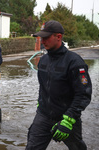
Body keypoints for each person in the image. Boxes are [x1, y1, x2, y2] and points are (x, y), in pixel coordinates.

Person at [26, 20, 92, 150]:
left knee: (77, 148)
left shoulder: (75, 62)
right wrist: (40, 102)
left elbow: (83, 94)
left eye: (46, 37)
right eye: (41, 37)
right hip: (43, 116)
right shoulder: (43, 60)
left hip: (67, 117)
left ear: (59, 37)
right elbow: (43, 86)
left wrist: (69, 119)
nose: (43, 41)